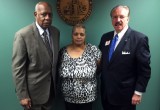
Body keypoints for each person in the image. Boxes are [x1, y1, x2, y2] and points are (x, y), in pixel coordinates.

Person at [99, 5, 151, 110]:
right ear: (111, 19)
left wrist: (138, 92)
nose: (118, 20)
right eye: (114, 17)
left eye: (121, 17)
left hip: (126, 96)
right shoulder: (105, 37)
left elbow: (144, 69)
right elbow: (101, 62)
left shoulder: (139, 39)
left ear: (128, 18)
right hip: (106, 94)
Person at [12, 1, 60, 110]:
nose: (47, 18)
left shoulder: (56, 32)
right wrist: (23, 95)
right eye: (44, 14)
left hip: (51, 94)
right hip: (32, 97)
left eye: (50, 15)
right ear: (35, 14)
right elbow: (18, 69)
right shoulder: (23, 35)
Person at [58, 23, 101, 110]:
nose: (79, 36)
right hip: (68, 98)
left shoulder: (93, 50)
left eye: (82, 34)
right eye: (76, 34)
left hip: (88, 98)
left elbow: (99, 69)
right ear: (72, 35)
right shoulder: (63, 51)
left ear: (85, 35)